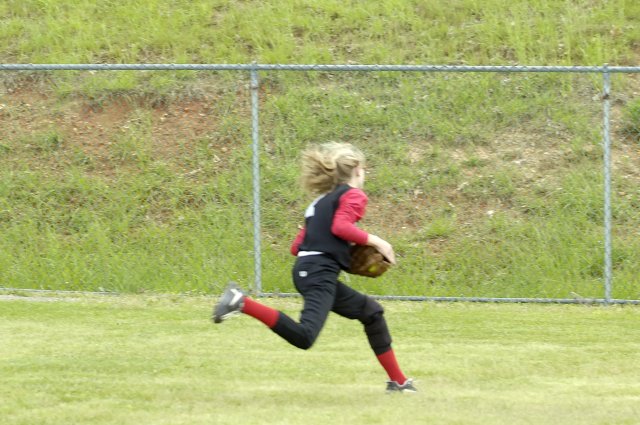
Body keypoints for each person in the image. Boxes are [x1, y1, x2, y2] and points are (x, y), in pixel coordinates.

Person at [213, 142, 416, 393]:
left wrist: (331, 244)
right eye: (364, 169)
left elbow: (296, 247)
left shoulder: (319, 203)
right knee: (305, 336)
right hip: (319, 272)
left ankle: (398, 382)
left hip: (309, 270)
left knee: (371, 312)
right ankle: (241, 302)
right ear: (357, 170)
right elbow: (340, 228)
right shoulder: (353, 195)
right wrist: (378, 242)